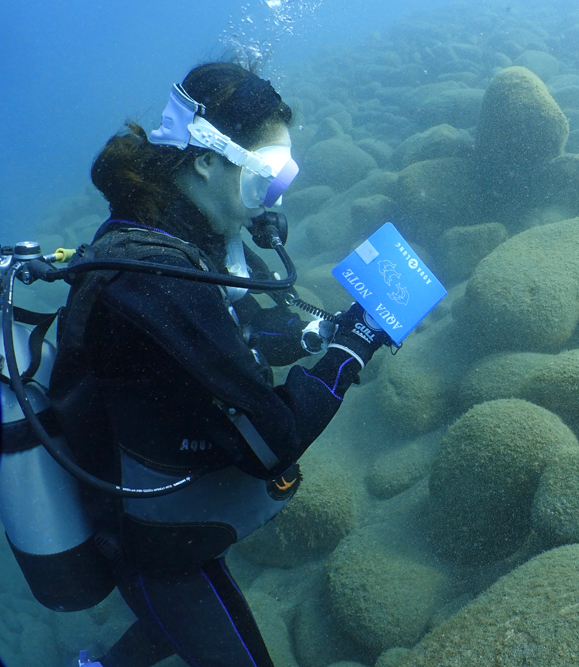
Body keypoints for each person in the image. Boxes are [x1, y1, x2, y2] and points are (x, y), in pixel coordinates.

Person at [47, 61, 388, 667]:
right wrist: (347, 353)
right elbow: (271, 443)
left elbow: (241, 330)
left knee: (169, 629)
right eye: (265, 181)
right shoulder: (158, 278)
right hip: (158, 542)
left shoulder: (172, 231)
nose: (272, 201)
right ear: (205, 160)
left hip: (168, 494)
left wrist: (316, 331)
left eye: (282, 180)